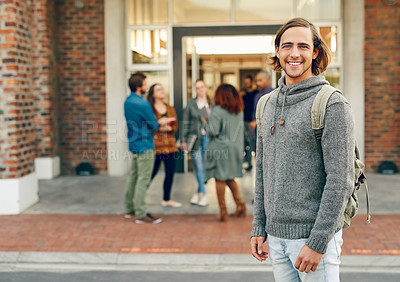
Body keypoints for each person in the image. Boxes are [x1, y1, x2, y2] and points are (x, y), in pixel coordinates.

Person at [250, 18, 354, 281]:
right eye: (287, 46)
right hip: (275, 240)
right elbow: (262, 170)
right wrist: (258, 227)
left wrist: (318, 242)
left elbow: (341, 181)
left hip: (314, 240)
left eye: (303, 46)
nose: (294, 54)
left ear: (315, 52)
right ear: (277, 51)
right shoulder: (266, 104)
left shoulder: (331, 103)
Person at [124, 72, 162, 224]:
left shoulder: (127, 101)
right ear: (139, 87)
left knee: (133, 177)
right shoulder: (143, 103)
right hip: (145, 144)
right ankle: (140, 213)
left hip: (133, 144)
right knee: (143, 179)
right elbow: (154, 124)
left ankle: (129, 208)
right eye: (145, 85)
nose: (146, 87)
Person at [204, 83, 246, 222]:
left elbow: (213, 130)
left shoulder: (218, 110)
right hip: (235, 147)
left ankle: (223, 211)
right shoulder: (239, 109)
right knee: (229, 177)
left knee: (220, 178)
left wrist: (205, 122)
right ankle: (241, 205)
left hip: (221, 148)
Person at [147, 83, 182, 208]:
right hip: (156, 147)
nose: (162, 91)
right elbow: (149, 126)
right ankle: (139, 197)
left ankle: (167, 199)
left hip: (171, 146)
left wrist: (167, 127)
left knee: (170, 174)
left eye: (162, 88)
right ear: (153, 93)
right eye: (158, 89)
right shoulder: (149, 108)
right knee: (151, 173)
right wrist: (159, 124)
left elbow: (175, 126)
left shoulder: (170, 107)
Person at [180, 79, 213, 206]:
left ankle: (197, 193)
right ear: (195, 90)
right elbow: (185, 122)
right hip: (195, 139)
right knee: (198, 167)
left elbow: (216, 121)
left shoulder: (212, 103)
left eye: (202, 87)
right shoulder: (191, 104)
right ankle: (204, 195)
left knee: (205, 168)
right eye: (198, 88)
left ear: (206, 88)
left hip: (209, 139)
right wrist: (183, 139)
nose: (200, 90)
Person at [241, 75, 258, 171]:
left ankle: (256, 164)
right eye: (245, 82)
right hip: (244, 121)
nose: (247, 84)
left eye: (248, 82)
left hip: (254, 121)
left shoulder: (256, 93)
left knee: (254, 142)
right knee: (246, 143)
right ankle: (248, 164)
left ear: (251, 82)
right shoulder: (242, 94)